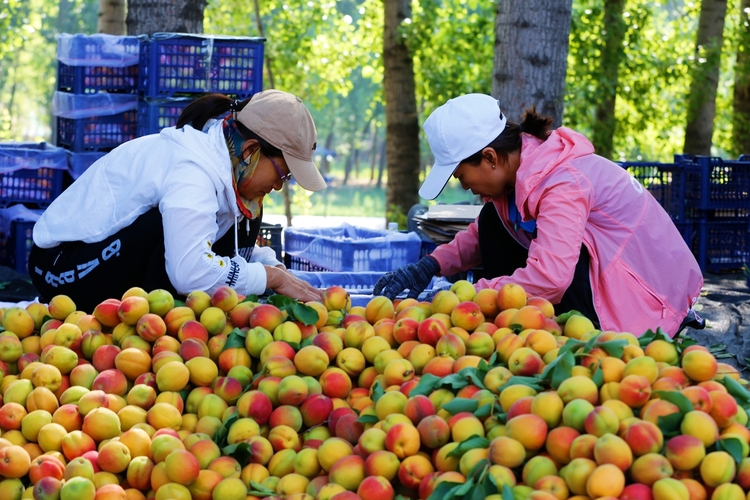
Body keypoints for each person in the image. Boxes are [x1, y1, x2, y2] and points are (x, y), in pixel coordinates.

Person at [374, 93, 704, 337]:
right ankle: (516, 331)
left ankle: (546, 333)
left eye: (460, 176)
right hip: (607, 278)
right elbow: (479, 236)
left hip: (645, 298)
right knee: (491, 221)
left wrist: (469, 297)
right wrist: (430, 265)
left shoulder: (563, 182)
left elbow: (552, 278)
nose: (464, 187)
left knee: (550, 263)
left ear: (490, 158)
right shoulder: (518, 177)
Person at [29, 89, 326, 312]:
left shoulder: (226, 172)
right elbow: (189, 272)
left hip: (108, 261)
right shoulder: (191, 172)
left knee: (247, 211)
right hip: (61, 269)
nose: (278, 186)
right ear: (250, 151)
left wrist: (272, 267)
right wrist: (269, 278)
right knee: (168, 231)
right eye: (282, 174)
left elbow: (218, 239)